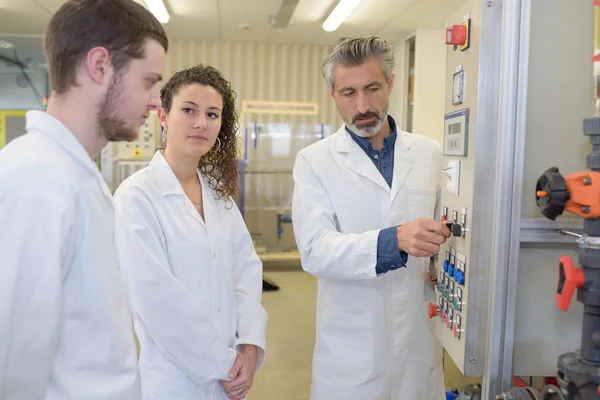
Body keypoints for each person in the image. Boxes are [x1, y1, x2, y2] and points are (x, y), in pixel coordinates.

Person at [0, 1, 168, 399]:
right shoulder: (34, 183)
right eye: (149, 81)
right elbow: (11, 367)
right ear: (99, 66)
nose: (157, 101)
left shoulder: (77, 175)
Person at [291, 36, 451, 400]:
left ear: (391, 83)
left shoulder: (430, 153)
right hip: (352, 355)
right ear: (333, 94)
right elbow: (315, 250)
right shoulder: (314, 162)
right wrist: (392, 240)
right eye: (348, 93)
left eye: (372, 88)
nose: (362, 106)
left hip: (418, 346)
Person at [113, 64, 267, 400]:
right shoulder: (136, 196)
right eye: (188, 110)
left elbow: (246, 270)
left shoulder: (218, 196)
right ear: (163, 117)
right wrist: (223, 364)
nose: (201, 123)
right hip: (173, 381)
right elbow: (156, 299)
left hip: (229, 377)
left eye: (213, 114)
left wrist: (251, 344)